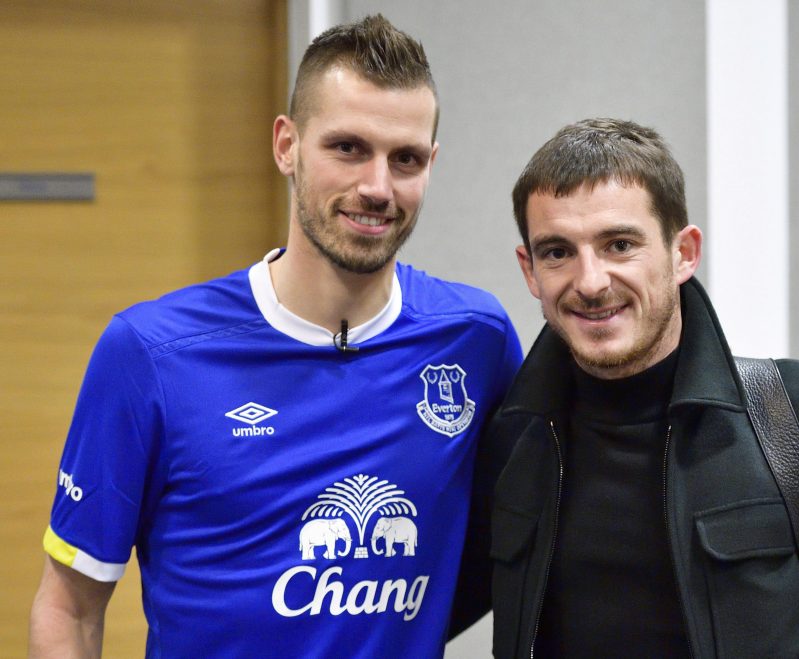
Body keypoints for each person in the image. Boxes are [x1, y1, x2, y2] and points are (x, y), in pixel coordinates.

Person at [29, 15, 522, 658]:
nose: (377, 187)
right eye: (347, 147)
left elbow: (520, 548)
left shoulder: (474, 343)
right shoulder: (148, 354)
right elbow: (69, 609)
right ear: (287, 145)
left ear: (431, 164)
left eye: (404, 159)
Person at [469, 118, 799, 657]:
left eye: (619, 244)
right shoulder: (510, 440)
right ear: (529, 270)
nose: (590, 282)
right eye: (557, 252)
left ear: (683, 252)